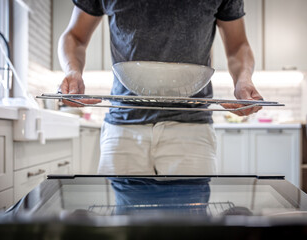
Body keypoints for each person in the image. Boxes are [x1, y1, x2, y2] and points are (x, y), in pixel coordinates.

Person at [58, 0, 263, 175]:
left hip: (192, 129)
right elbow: (74, 36)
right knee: (121, 221)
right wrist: (72, 71)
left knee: (192, 221)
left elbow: (238, 46)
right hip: (123, 127)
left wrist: (243, 80)